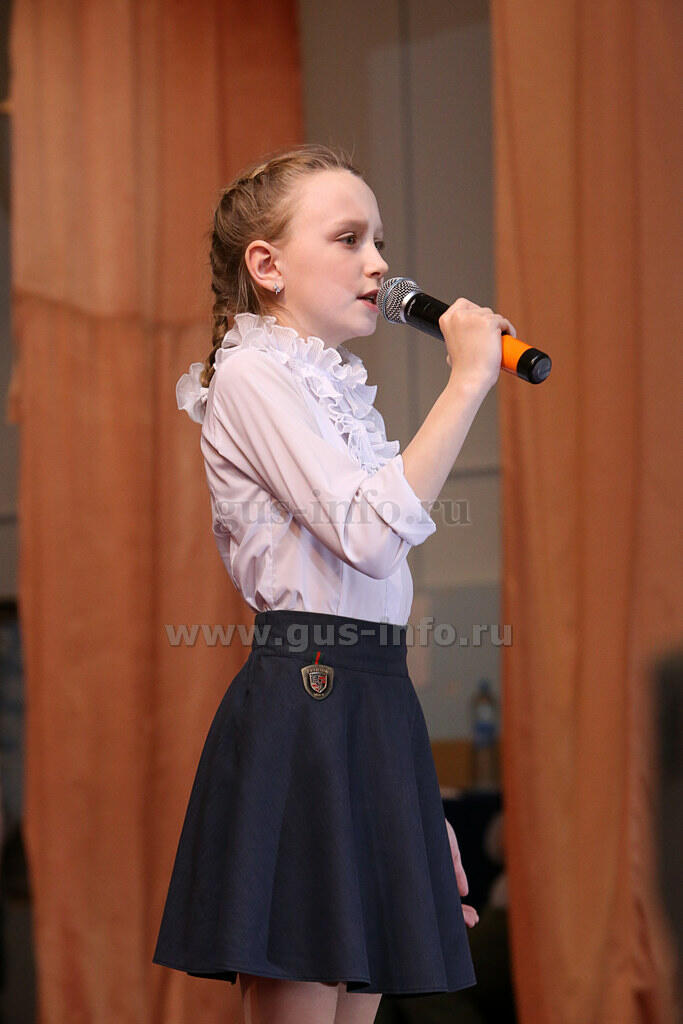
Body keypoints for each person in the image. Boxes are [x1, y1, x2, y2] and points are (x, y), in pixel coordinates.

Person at [152, 143, 517, 1024]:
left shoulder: (331, 392)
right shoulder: (250, 376)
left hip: (371, 700)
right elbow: (367, 536)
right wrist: (468, 378)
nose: (378, 263)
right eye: (349, 238)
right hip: (305, 704)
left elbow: (374, 598)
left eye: (378, 240)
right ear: (267, 265)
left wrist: (412, 802)